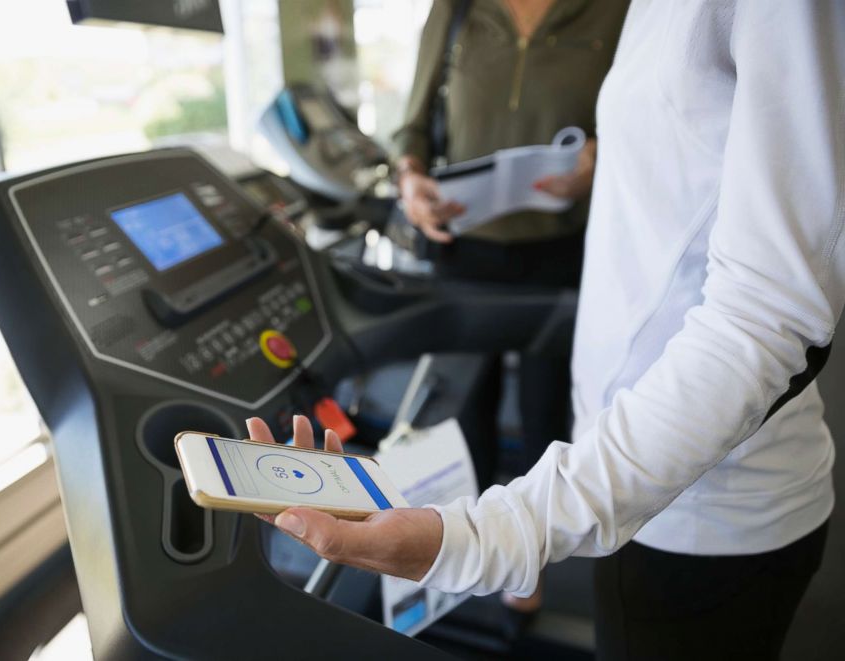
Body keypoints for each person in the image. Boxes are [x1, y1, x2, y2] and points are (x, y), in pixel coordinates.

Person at [248, 2, 844, 659]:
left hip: (702, 505)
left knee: (539, 414)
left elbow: (768, 313)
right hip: (642, 482)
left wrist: (492, 538)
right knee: (467, 409)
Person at [394, 0, 628, 613]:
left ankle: (530, 562)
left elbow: (639, 115)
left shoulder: (614, 12)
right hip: (464, 247)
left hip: (559, 247)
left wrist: (595, 159)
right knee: (464, 404)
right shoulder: (457, 10)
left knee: (545, 407)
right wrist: (410, 180)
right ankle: (460, 550)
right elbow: (412, 126)